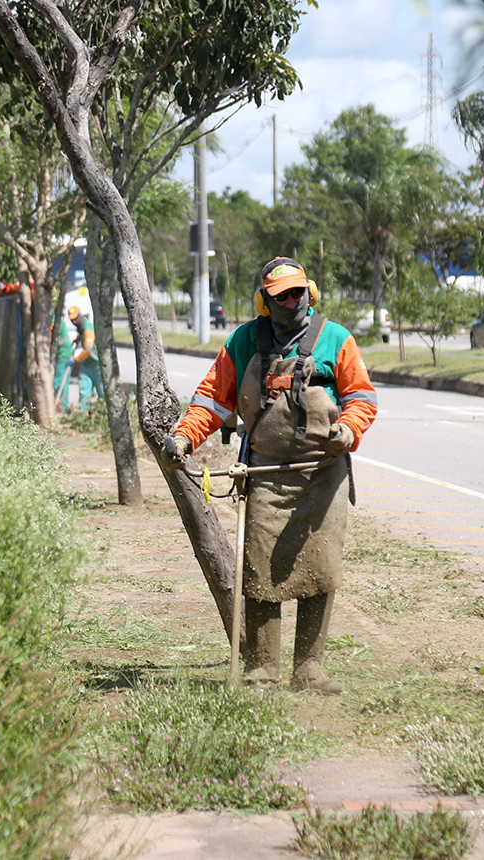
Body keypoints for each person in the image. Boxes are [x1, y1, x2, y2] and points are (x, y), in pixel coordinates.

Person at [160, 256, 377, 694]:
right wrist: (184, 437)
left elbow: (362, 398)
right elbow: (212, 401)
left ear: (309, 292)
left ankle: (309, 669)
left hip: (322, 475)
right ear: (265, 301)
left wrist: (348, 429)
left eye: (298, 292)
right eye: (281, 296)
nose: (292, 301)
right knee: (259, 569)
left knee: (322, 567)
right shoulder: (244, 342)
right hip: (265, 475)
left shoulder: (336, 339)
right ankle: (262, 669)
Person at [63, 304, 102, 410]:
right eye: (72, 320)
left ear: (80, 316)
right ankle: (83, 414)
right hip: (86, 365)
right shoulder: (81, 327)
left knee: (102, 393)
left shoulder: (87, 327)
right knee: (84, 392)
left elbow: (88, 350)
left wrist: (75, 360)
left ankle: (104, 414)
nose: (74, 322)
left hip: (97, 365)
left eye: (75, 319)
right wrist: (77, 340)